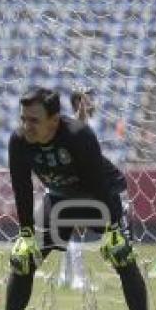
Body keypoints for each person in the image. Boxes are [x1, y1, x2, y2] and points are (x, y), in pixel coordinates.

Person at [0, 88, 156, 310]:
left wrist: (113, 229)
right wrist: (25, 233)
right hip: (59, 199)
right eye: (23, 118)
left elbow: (99, 184)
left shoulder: (78, 135)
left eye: (34, 120)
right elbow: (22, 189)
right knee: (23, 259)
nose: (27, 126)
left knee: (123, 258)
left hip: (100, 197)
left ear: (55, 119)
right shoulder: (18, 140)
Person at [58, 89, 96, 290]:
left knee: (69, 231)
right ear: (80, 104)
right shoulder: (77, 122)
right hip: (76, 184)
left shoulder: (74, 124)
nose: (92, 103)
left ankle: (64, 277)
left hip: (70, 183)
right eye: (88, 100)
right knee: (77, 230)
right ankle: (79, 280)